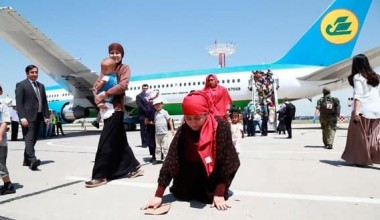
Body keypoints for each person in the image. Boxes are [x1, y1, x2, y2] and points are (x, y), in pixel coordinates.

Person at [143, 91, 240, 211]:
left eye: (197, 118)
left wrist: (219, 192)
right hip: (190, 172)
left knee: (209, 197)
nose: (193, 123)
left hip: (213, 173)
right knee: (181, 194)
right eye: (188, 118)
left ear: (206, 113)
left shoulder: (221, 127)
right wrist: (158, 195)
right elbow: (171, 161)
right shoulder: (184, 130)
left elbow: (228, 161)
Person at [85, 42, 143, 188]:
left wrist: (105, 93)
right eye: (112, 52)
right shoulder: (105, 70)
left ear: (122, 55)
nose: (115, 55)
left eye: (117, 53)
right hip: (105, 109)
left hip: (116, 110)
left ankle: (100, 176)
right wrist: (98, 102)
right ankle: (135, 167)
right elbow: (95, 87)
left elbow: (123, 86)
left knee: (105, 142)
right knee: (120, 142)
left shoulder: (124, 68)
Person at [341, 54, 380, 166]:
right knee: (374, 138)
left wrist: (356, 111)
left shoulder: (358, 77)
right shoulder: (377, 76)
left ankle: (361, 159)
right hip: (377, 111)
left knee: (359, 138)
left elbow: (358, 95)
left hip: (364, 111)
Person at [15, 64, 50, 171]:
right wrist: (22, 117)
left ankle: (26, 159)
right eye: (32, 72)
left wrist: (46, 116)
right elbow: (19, 103)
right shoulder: (21, 85)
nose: (35, 74)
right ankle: (32, 159)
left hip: (39, 116)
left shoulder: (41, 86)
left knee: (34, 139)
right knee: (29, 138)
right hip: (27, 117)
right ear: (27, 73)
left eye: (36, 72)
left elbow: (44, 102)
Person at [0, 85, 16, 195]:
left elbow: (5, 122)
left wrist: (0, 136)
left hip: (0, 142)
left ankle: (8, 185)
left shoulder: (2, 105)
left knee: (0, 164)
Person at [152, 98, 174, 164]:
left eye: (158, 104)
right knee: (158, 147)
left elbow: (169, 120)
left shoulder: (165, 112)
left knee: (165, 147)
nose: (157, 106)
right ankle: (158, 158)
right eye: (155, 105)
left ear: (161, 105)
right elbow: (155, 122)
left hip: (164, 133)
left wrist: (172, 129)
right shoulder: (155, 113)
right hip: (157, 133)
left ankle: (165, 159)